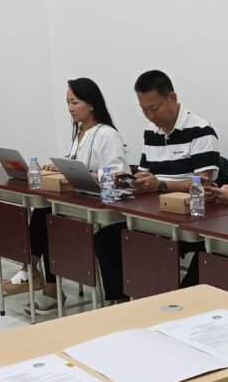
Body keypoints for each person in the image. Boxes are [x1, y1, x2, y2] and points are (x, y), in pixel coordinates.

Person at [3, 78, 127, 314]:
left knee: (48, 217)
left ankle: (36, 275)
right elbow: (76, 166)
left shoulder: (106, 134)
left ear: (91, 103)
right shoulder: (80, 133)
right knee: (45, 213)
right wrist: (58, 167)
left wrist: (84, 174)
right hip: (79, 201)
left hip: (102, 208)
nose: (70, 108)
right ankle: (35, 274)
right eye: (67, 103)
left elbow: (119, 174)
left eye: (75, 102)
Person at [93, 70, 219, 302]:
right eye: (144, 109)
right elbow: (145, 173)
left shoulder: (201, 130)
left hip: (189, 219)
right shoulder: (151, 132)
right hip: (153, 215)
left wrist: (160, 185)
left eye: (155, 108)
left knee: (146, 245)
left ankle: (169, 303)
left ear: (172, 98)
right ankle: (122, 303)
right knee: (105, 238)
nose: (150, 116)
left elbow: (204, 183)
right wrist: (133, 180)